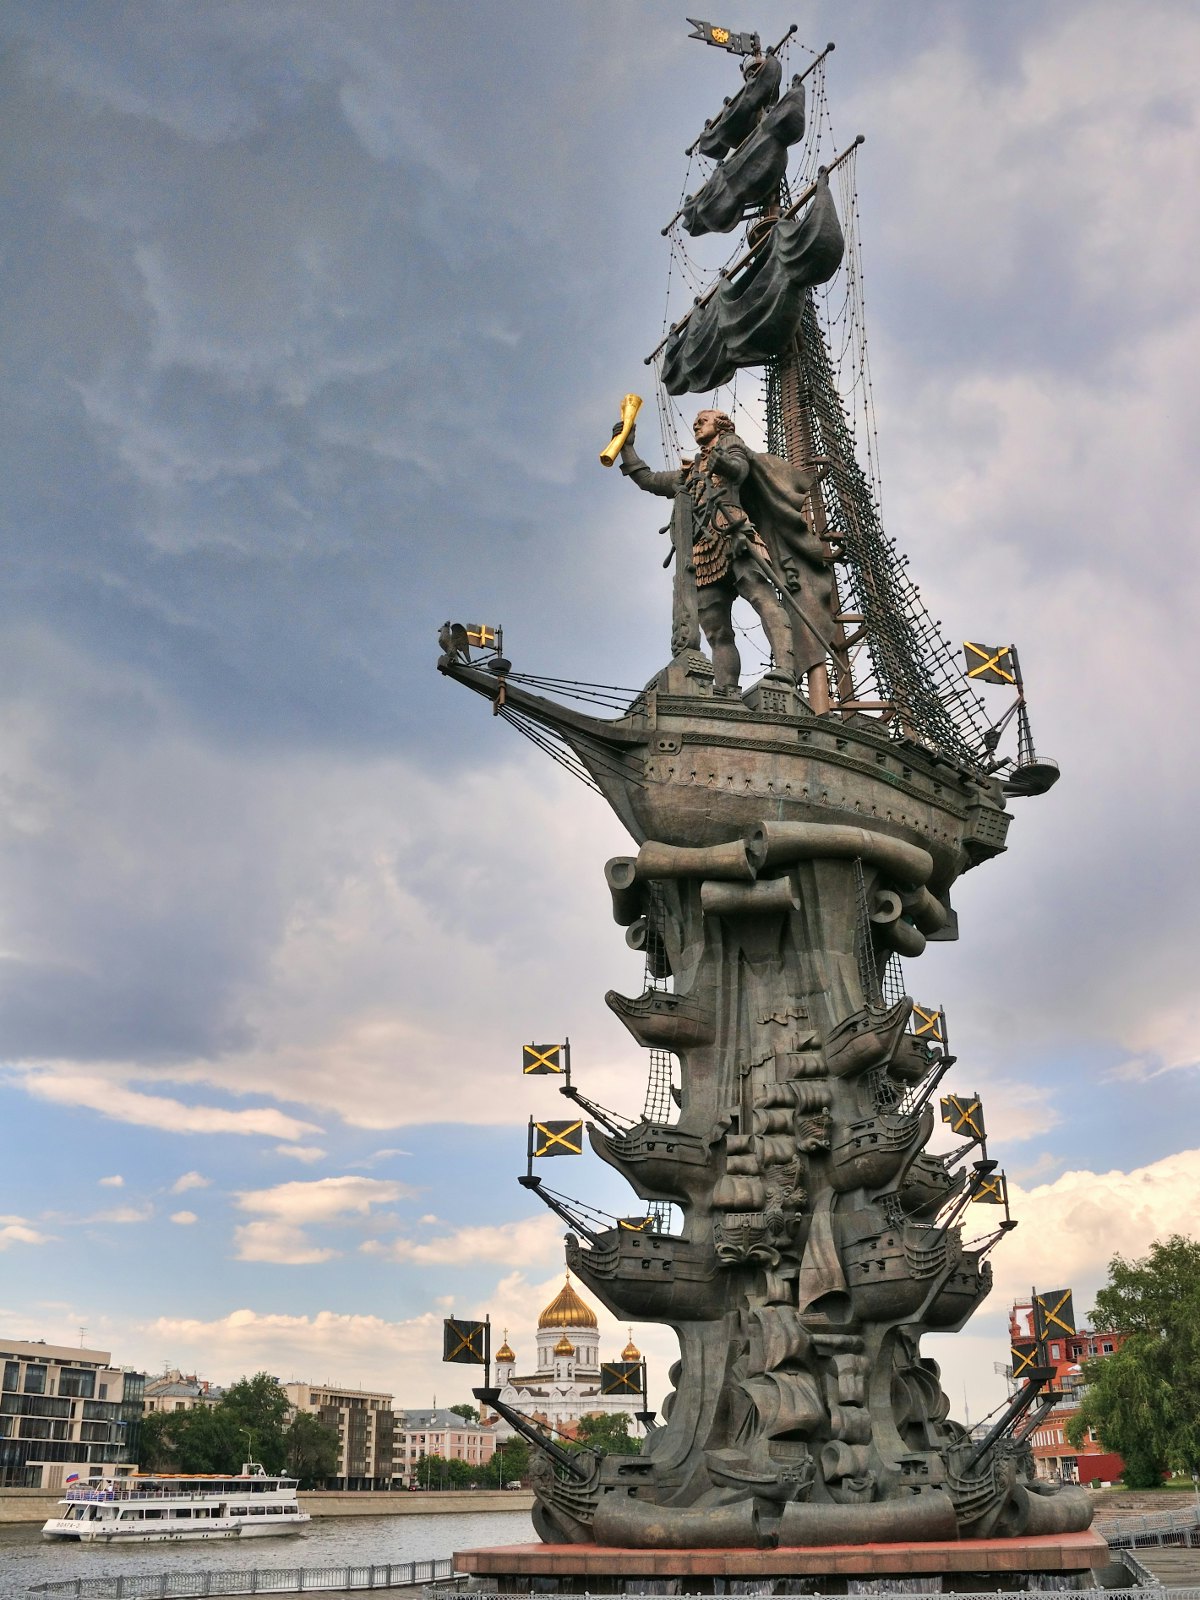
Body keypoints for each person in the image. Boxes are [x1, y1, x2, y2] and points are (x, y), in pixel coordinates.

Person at [619, 410, 834, 709]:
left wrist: (723, 464)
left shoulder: (731, 443)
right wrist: (627, 448)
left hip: (733, 533)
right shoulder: (691, 470)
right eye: (695, 421)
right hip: (701, 548)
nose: (696, 424)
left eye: (703, 420)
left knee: (762, 598)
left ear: (720, 425)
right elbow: (650, 480)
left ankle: (786, 671)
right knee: (716, 628)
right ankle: (727, 692)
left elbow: (739, 469)